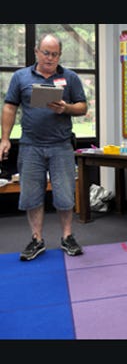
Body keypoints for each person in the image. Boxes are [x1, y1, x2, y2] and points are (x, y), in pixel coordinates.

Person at [0, 33, 88, 261]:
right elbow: (10, 107)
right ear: (37, 52)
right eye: (46, 53)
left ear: (60, 55)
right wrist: (5, 138)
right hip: (30, 146)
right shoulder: (21, 77)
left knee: (65, 195)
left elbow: (82, 107)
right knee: (31, 195)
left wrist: (65, 108)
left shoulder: (70, 77)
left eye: (55, 54)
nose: (50, 58)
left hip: (61, 146)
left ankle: (67, 236)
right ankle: (37, 239)